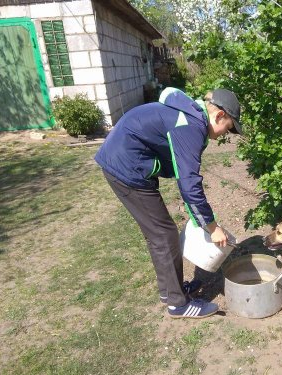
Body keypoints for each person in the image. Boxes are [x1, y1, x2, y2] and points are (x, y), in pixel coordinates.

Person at [94, 87, 242, 319]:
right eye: (229, 127)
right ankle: (178, 304)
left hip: (125, 160)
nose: (226, 133)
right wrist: (212, 228)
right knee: (164, 235)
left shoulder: (190, 116)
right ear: (219, 115)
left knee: (160, 234)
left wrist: (196, 212)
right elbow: (190, 184)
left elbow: (182, 170)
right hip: (126, 168)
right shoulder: (191, 126)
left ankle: (169, 291)